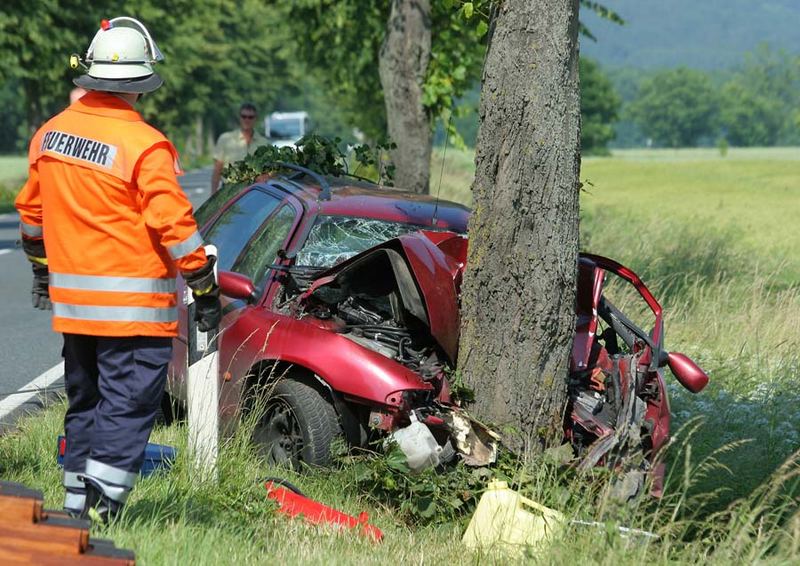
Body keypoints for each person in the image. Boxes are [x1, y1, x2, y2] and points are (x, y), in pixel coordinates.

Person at [14, 16, 221, 522]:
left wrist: (43, 272)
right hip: (134, 314)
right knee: (126, 410)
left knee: (86, 406)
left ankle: (74, 509)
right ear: (141, 82)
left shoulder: (49, 136)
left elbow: (31, 218)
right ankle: (102, 513)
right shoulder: (144, 145)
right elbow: (175, 224)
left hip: (76, 312)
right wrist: (204, 283)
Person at [210, 102, 269, 192]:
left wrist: (266, 176)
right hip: (229, 191)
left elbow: (271, 170)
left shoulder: (264, 143)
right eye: (244, 116)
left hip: (255, 192)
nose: (247, 120)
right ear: (239, 118)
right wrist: (213, 195)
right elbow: (217, 170)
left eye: (250, 117)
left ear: (255, 119)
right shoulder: (225, 139)